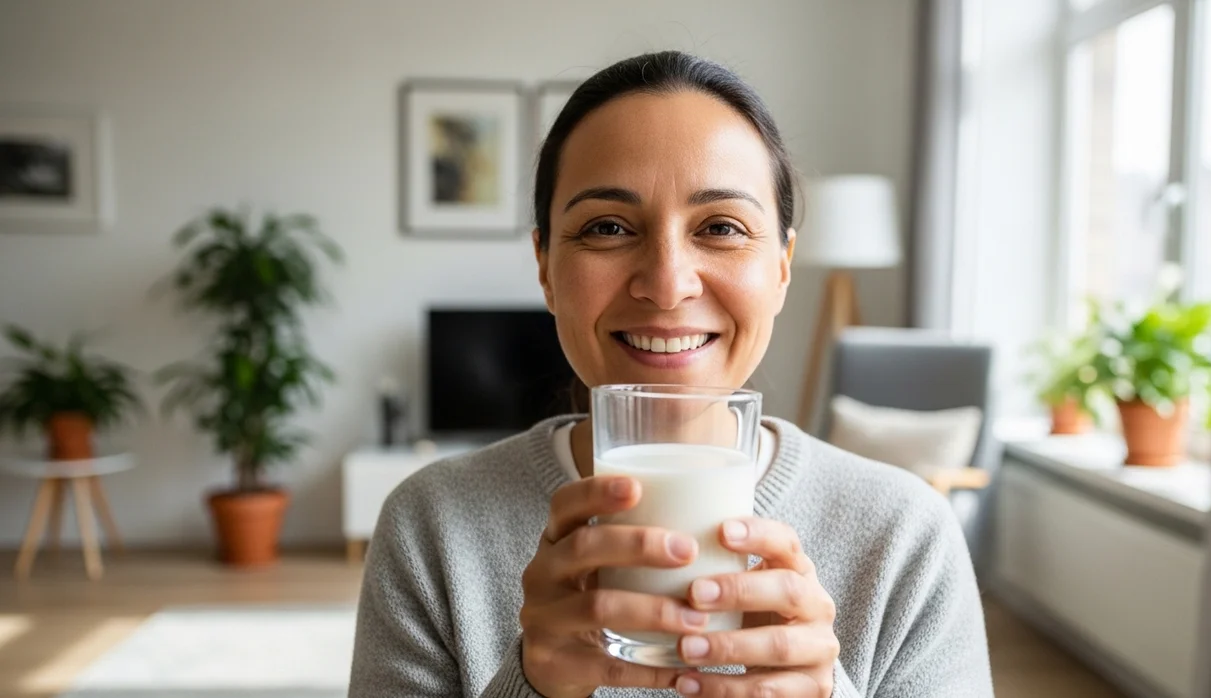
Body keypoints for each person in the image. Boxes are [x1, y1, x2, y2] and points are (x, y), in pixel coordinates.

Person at [350, 51, 993, 698]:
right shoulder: (431, 526)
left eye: (721, 227)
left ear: (781, 267)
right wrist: (531, 686)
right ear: (545, 265)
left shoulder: (904, 534)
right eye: (607, 227)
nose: (666, 283)